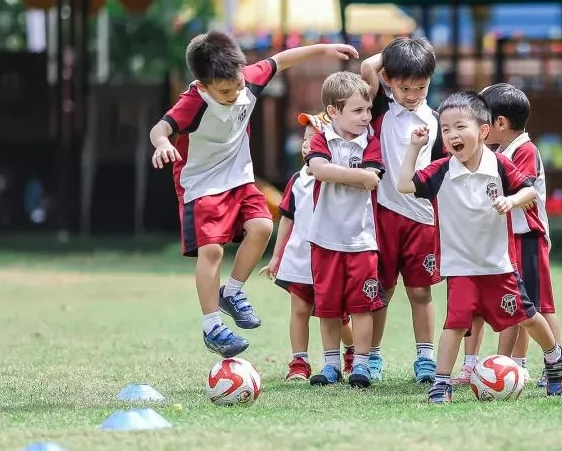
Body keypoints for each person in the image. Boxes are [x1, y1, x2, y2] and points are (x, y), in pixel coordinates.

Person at [150, 30, 358, 357]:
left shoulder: (246, 80)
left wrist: (325, 48)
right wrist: (163, 143)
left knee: (262, 228)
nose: (235, 93)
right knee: (213, 252)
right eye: (225, 91)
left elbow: (282, 60)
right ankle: (212, 325)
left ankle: (232, 292)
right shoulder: (192, 102)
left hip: (240, 179)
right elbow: (161, 128)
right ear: (204, 86)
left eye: (237, 86)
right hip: (202, 185)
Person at [396, 91, 562, 404]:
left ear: (484, 130)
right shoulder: (441, 171)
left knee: (527, 317)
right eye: (445, 129)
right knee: (454, 325)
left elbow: (529, 193)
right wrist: (413, 147)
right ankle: (441, 383)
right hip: (460, 268)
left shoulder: (499, 165)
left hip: (498, 266)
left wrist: (510, 200)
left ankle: (555, 359)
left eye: (460, 126)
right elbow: (404, 185)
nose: (452, 135)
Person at [451, 84, 561, 390]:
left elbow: (519, 193)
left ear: (499, 124)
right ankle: (503, 364)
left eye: (481, 118)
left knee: (537, 307)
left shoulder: (524, 151)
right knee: (511, 304)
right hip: (502, 240)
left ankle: (553, 364)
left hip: (527, 239)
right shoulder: (498, 151)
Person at [359, 37, 442, 383]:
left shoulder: (439, 119)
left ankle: (425, 358)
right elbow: (367, 67)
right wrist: (401, 53)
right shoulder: (380, 108)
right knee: (382, 290)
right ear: (389, 80)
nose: (412, 94)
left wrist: (418, 57)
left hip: (423, 217)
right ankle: (372, 357)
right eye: (404, 86)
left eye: (420, 86)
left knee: (421, 292)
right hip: (384, 214)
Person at [304, 71, 386, 388]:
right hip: (324, 238)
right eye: (357, 111)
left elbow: (373, 177)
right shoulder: (321, 138)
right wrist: (358, 177)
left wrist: (346, 175)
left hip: (362, 240)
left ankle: (362, 365)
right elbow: (319, 169)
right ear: (334, 112)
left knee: (362, 306)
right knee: (327, 307)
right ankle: (330, 365)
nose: (366, 117)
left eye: (367, 110)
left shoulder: (372, 142)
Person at [260, 111, 355, 381]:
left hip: (332, 258)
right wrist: (277, 257)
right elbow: (287, 220)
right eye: (305, 138)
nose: (306, 144)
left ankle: (349, 351)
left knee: (338, 315)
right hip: (299, 259)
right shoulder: (297, 181)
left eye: (314, 139)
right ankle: (299, 363)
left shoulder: (339, 179)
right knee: (299, 310)